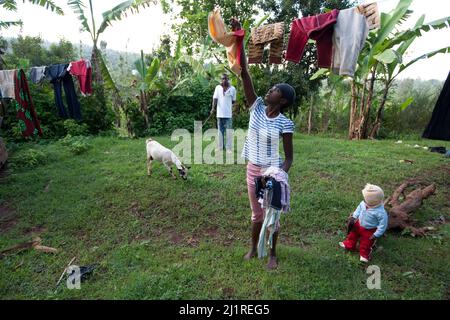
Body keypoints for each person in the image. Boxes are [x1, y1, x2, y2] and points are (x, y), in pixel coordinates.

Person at [230, 18, 296, 270]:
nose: (271, 89)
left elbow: (289, 157)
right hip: (251, 169)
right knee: (257, 214)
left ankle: (272, 253)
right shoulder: (256, 107)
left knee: (272, 215)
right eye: (271, 87)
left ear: (283, 101)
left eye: (276, 89)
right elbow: (245, 72)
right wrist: (239, 39)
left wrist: (280, 174)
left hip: (271, 172)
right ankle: (252, 249)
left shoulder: (285, 123)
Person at [339, 184, 388, 263]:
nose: (364, 200)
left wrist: (376, 234)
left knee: (367, 242)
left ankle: (364, 254)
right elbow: (358, 210)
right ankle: (349, 244)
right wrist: (354, 217)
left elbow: (383, 225)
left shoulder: (381, 212)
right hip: (358, 224)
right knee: (353, 234)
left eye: (365, 198)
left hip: (370, 229)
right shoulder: (363, 203)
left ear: (372, 201)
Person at [210, 73, 236, 153]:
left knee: (228, 131)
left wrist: (227, 105)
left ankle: (228, 148)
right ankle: (220, 147)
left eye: (225, 78)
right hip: (219, 114)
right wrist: (213, 108)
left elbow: (233, 101)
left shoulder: (232, 89)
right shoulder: (218, 88)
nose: (224, 80)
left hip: (228, 114)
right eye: (222, 79)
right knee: (220, 131)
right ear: (221, 80)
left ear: (228, 79)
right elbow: (215, 99)